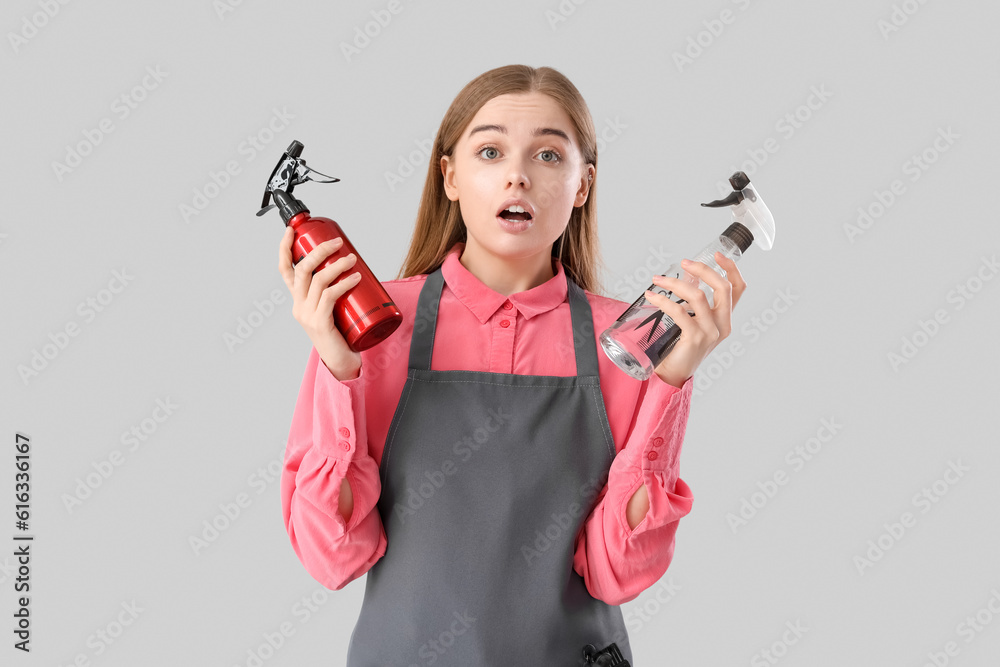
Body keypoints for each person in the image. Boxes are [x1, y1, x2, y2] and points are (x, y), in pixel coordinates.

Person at [279, 64, 746, 665]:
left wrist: (671, 381)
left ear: (583, 185)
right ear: (449, 176)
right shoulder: (373, 321)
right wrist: (338, 368)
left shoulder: (629, 338)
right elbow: (333, 556)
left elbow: (618, 572)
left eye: (549, 156)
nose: (518, 176)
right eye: (491, 151)